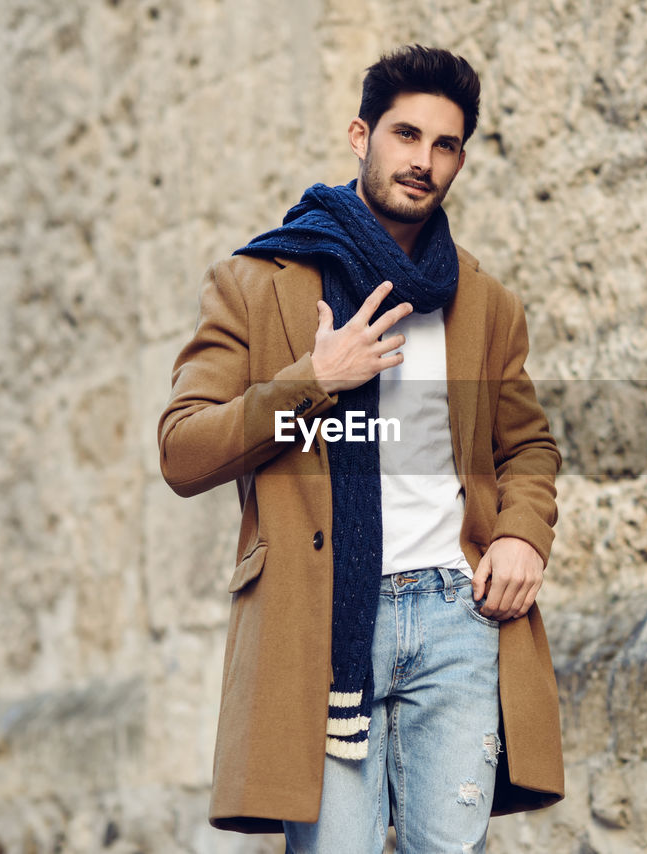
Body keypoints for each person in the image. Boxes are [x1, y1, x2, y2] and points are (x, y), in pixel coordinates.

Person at [158, 44, 562, 853]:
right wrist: (314, 377)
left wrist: (522, 533)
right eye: (405, 135)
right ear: (360, 136)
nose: (423, 161)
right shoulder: (256, 280)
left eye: (445, 145)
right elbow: (182, 450)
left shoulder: (482, 301)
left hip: (457, 613)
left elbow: (526, 446)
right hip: (324, 624)